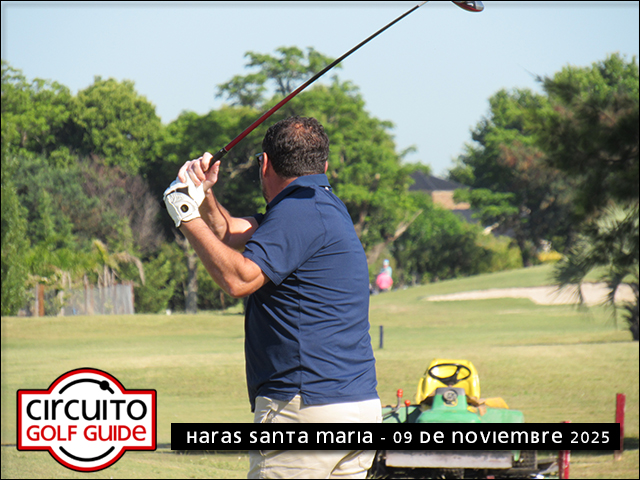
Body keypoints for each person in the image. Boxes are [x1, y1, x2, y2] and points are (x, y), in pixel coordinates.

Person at [163, 116, 380, 479]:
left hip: (305, 407)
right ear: (324, 166)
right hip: (356, 408)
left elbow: (239, 279)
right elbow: (230, 233)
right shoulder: (322, 205)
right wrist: (203, 195)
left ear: (264, 164)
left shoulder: (298, 212)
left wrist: (184, 214)